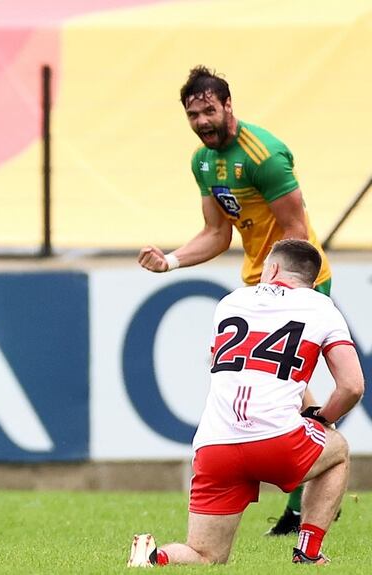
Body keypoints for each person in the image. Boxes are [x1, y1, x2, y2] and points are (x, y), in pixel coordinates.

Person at [138, 66, 333, 534]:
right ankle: (313, 481)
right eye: (193, 114)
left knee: (277, 388)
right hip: (256, 283)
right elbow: (216, 234)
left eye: (209, 110)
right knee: (287, 393)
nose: (202, 121)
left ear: (228, 105)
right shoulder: (203, 162)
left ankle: (309, 490)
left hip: (299, 281)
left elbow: (296, 232)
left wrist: (283, 292)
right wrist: (171, 261)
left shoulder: (263, 155)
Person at [128, 239, 365, 567]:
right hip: (276, 440)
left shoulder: (230, 302)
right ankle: (308, 553)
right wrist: (323, 418)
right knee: (337, 452)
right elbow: (352, 386)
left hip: (215, 445)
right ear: (311, 280)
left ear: (274, 268)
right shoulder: (321, 307)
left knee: (205, 555)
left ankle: (153, 557)